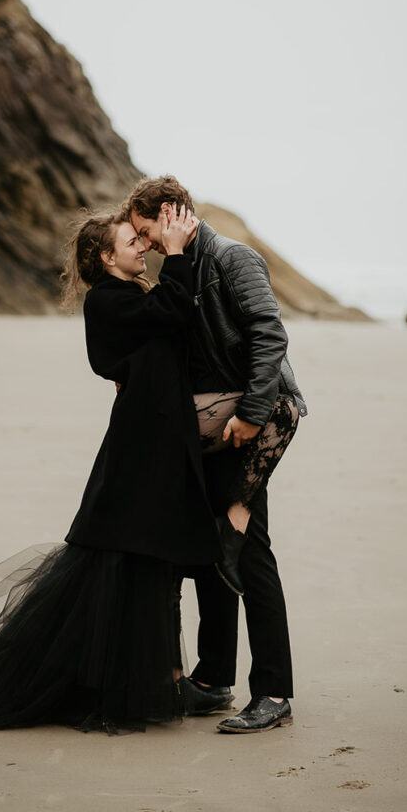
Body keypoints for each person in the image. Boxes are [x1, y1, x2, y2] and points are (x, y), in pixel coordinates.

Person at [0, 207, 222, 732]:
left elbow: (162, 329)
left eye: (143, 240)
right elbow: (173, 311)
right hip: (143, 444)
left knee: (152, 558)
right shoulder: (107, 300)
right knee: (121, 558)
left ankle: (167, 676)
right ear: (103, 257)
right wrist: (179, 254)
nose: (143, 247)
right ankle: (129, 682)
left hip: (158, 437)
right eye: (132, 242)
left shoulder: (128, 298)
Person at [127, 176, 306, 734]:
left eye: (143, 229)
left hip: (251, 422)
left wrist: (252, 413)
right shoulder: (181, 263)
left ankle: (274, 692)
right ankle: (212, 681)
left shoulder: (234, 257)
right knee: (210, 553)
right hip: (212, 427)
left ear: (171, 214)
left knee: (249, 553)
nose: (145, 242)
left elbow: (268, 335)